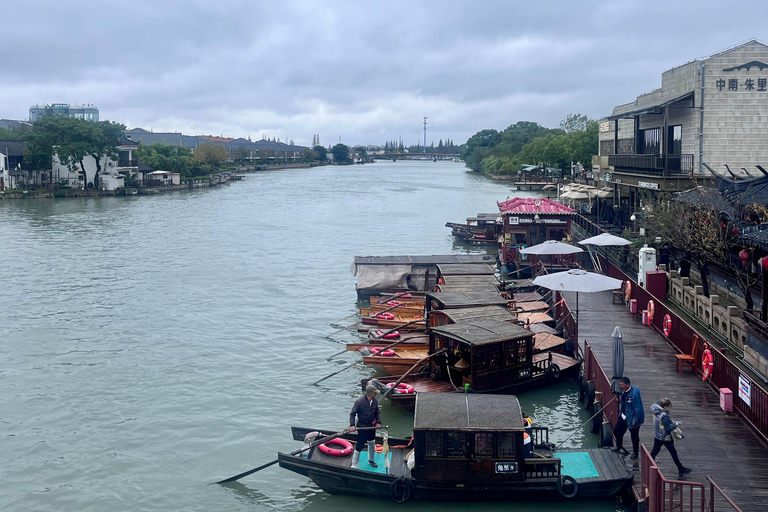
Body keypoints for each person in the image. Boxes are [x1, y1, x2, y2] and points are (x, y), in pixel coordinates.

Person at [650, 398, 692, 476]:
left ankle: (648, 464)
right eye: (669, 407)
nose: (670, 408)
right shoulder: (664, 415)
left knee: (655, 451)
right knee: (673, 452)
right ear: (665, 407)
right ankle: (680, 468)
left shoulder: (656, 412)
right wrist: (674, 426)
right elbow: (667, 428)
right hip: (665, 437)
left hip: (657, 435)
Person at [349, 384, 382, 469]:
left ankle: (371, 460)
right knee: (359, 445)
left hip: (371, 426)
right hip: (362, 426)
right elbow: (352, 414)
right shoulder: (359, 402)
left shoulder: (375, 401)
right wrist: (352, 425)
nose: (376, 394)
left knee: (372, 442)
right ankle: (354, 464)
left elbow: (377, 413)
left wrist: (378, 422)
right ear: (371, 393)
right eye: (375, 393)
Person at [612, 376, 644, 459]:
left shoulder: (634, 394)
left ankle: (635, 453)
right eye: (620, 385)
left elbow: (637, 408)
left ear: (628, 384)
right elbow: (624, 400)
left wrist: (635, 419)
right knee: (617, 429)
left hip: (632, 417)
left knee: (634, 436)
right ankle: (619, 445)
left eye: (622, 385)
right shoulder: (623, 391)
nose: (621, 386)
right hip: (623, 415)